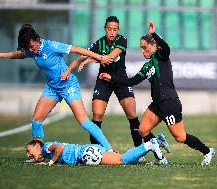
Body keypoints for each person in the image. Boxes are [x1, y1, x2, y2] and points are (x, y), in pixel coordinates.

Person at [99, 20, 215, 166]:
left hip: (169, 103)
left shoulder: (161, 56)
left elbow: (166, 47)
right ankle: (160, 157)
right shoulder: (147, 66)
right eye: (140, 48)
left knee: (180, 137)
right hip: (157, 104)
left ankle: (208, 151)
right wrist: (111, 78)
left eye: (144, 47)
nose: (142, 51)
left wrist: (154, 34)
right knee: (143, 130)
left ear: (154, 46)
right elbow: (132, 81)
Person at [0, 24, 113, 151]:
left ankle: (109, 149)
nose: (31, 50)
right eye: (28, 48)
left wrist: (101, 58)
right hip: (52, 88)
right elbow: (21, 54)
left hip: (68, 85)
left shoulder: (51, 46)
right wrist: (2, 55)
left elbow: (78, 50)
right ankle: (38, 153)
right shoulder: (31, 51)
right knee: (36, 121)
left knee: (83, 121)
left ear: (36, 40)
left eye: (31, 46)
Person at [63, 16, 163, 158]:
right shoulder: (99, 43)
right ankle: (97, 152)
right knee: (97, 115)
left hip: (121, 79)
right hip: (103, 80)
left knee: (132, 114)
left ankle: (139, 153)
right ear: (105, 29)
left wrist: (90, 59)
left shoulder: (122, 40)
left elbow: (110, 57)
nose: (112, 32)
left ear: (118, 30)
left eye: (114, 29)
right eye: (109, 29)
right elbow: (80, 57)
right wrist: (68, 70)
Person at [25, 136, 164, 166]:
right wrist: (36, 160)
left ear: (37, 146)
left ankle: (149, 145)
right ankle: (156, 143)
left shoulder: (45, 147)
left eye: (28, 150)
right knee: (122, 158)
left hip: (86, 154)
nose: (28, 154)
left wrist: (49, 163)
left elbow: (60, 149)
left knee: (122, 161)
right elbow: (42, 157)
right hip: (88, 150)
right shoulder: (44, 152)